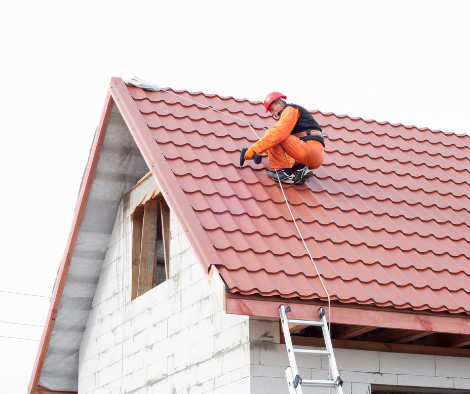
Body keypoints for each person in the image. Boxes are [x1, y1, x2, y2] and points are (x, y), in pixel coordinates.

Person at [244, 92, 325, 184]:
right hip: (316, 157)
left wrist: (253, 150)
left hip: (309, 150)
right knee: (275, 140)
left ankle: (286, 174)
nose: (271, 114)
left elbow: (277, 135)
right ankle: (301, 168)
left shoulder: (289, 109)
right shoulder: (294, 115)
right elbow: (281, 147)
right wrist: (261, 151)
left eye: (272, 109)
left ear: (280, 103)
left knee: (274, 135)